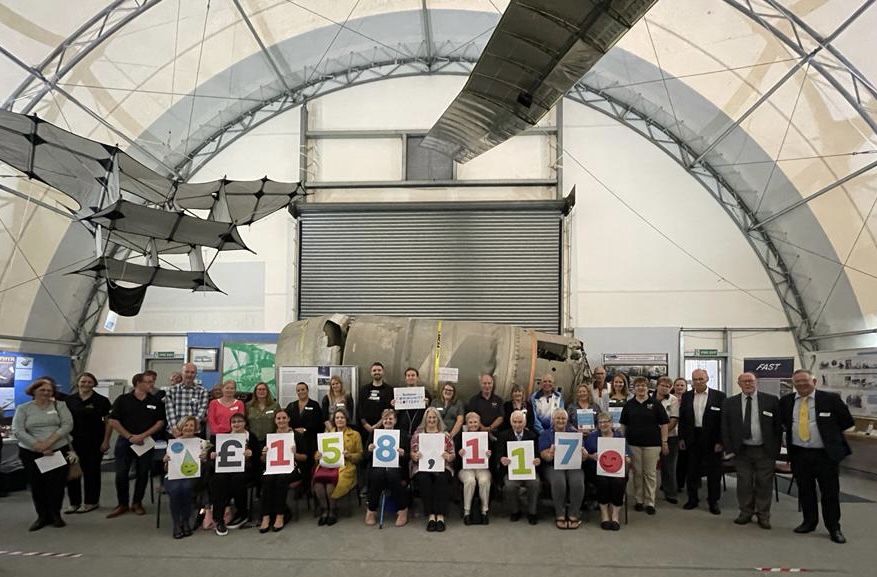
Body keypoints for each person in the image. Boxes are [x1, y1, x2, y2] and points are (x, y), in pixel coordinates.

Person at [779, 369, 855, 544]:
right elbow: (784, 423)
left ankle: (834, 527)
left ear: (814, 382)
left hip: (825, 455)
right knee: (805, 490)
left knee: (830, 492)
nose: (801, 385)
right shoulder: (787, 401)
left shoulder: (830, 399)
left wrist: (830, 435)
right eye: (797, 382)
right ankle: (809, 522)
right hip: (799, 454)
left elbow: (847, 421)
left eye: (804, 381)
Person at [11, 377, 74, 531]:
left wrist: (49, 442)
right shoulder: (23, 408)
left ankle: (55, 514)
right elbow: (17, 430)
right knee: (37, 485)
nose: (46, 393)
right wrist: (38, 445)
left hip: (57, 450)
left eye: (49, 390)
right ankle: (42, 516)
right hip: (31, 452)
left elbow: (67, 425)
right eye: (42, 390)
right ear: (34, 391)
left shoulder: (60, 405)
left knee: (56, 485)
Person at [722, 372, 782, 530]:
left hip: (764, 450)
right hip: (742, 450)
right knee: (744, 483)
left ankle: (763, 515)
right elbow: (725, 427)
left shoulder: (771, 400)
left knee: (764, 483)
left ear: (757, 382)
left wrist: (775, 449)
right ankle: (745, 512)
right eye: (744, 382)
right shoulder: (730, 402)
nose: (748, 384)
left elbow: (778, 427)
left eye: (751, 381)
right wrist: (729, 449)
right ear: (739, 384)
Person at [106, 371, 166, 518]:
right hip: (125, 441)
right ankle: (122, 503)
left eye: (152, 382)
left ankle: (137, 502)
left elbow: (160, 422)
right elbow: (113, 420)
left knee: (143, 473)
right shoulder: (123, 399)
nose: (152, 384)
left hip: (146, 441)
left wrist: (143, 436)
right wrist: (130, 436)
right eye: (148, 382)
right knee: (121, 473)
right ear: (138, 383)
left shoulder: (155, 401)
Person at [678, 369, 726, 515]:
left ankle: (713, 501)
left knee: (714, 472)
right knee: (692, 470)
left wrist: (721, 441)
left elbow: (723, 421)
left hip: (712, 440)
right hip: (692, 437)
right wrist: (681, 438)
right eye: (694, 379)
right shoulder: (686, 396)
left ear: (707, 379)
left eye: (700, 379)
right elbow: (683, 419)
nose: (697, 382)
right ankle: (692, 499)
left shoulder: (719, 396)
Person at [620, 376, 669, 515]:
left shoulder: (655, 404)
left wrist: (664, 442)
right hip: (633, 444)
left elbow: (664, 424)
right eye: (638, 385)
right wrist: (621, 444)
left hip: (652, 445)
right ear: (633, 389)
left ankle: (650, 502)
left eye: (643, 385)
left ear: (648, 388)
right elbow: (623, 425)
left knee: (650, 473)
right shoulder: (628, 405)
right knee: (637, 473)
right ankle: (639, 500)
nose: (641, 388)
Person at [64, 371, 112, 514]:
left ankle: (91, 502)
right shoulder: (69, 400)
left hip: (94, 442)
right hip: (72, 442)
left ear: (94, 384)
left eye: (89, 382)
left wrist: (106, 440)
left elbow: (109, 422)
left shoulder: (102, 401)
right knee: (73, 472)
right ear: (78, 382)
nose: (86, 384)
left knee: (92, 472)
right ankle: (74, 503)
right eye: (83, 381)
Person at [208, 412, 259, 534]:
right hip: (225, 469)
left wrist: (251, 454)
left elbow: (258, 457)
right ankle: (219, 519)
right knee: (218, 480)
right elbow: (212, 451)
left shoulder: (251, 437)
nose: (237, 424)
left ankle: (242, 512)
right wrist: (212, 454)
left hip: (245, 469)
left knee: (238, 480)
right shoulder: (223, 437)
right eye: (234, 422)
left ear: (245, 423)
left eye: (240, 421)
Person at [258, 409, 307, 533]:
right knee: (267, 479)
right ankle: (266, 516)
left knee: (281, 479)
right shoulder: (270, 437)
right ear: (275, 421)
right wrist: (264, 454)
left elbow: (306, 457)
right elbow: (263, 461)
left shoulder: (297, 436)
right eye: (278, 418)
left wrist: (295, 454)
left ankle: (280, 514)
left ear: (289, 419)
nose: (281, 421)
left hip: (293, 468)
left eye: (284, 418)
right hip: (274, 469)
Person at [313, 407, 363, 526]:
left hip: (346, 466)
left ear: (347, 419)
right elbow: (318, 452)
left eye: (342, 417)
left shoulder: (355, 434)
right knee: (318, 483)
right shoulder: (327, 435)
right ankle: (325, 509)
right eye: (337, 418)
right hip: (327, 465)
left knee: (331, 485)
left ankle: (333, 510)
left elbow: (360, 456)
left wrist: (349, 455)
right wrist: (317, 455)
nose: (339, 420)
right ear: (333, 420)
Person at [538, 409, 586, 530]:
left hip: (572, 465)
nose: (560, 421)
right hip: (552, 465)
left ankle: (574, 513)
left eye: (563, 418)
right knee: (559, 481)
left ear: (567, 420)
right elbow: (544, 455)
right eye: (558, 418)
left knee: (578, 482)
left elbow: (583, 455)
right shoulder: (545, 434)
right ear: (553, 420)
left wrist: (584, 455)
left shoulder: (574, 433)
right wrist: (549, 454)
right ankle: (560, 513)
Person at [163, 416, 209, 539]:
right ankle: (177, 523)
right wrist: (166, 461)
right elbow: (166, 469)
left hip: (192, 475)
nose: (188, 428)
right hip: (174, 475)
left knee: (187, 488)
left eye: (191, 426)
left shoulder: (202, 442)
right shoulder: (174, 443)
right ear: (181, 427)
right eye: (186, 425)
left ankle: (186, 521)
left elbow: (205, 467)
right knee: (175, 490)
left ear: (196, 428)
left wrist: (204, 459)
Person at [410, 406, 455, 532]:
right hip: (422, 467)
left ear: (438, 419)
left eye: (434, 417)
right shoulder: (418, 435)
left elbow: (452, 454)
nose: (431, 420)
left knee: (442, 478)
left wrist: (449, 456)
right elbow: (412, 454)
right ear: (425, 419)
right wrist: (415, 455)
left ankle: (440, 516)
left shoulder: (445, 435)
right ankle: (430, 516)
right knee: (424, 479)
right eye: (429, 417)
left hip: (442, 466)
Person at [584, 412, 631, 530]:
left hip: (616, 471)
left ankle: (615, 515)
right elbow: (584, 456)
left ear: (611, 423)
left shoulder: (619, 437)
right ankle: (604, 514)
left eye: (606, 422)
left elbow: (628, 456)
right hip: (597, 470)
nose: (603, 424)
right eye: (600, 422)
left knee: (618, 482)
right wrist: (591, 456)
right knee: (603, 481)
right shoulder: (592, 437)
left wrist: (626, 458)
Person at [364, 408, 410, 527]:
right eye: (385, 418)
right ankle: (371, 510)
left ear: (395, 421)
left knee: (392, 475)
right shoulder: (374, 433)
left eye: (390, 418)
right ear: (382, 420)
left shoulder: (402, 434)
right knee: (377, 475)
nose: (388, 421)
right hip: (378, 466)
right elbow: (365, 456)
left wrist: (403, 453)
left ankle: (402, 510)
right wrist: (369, 450)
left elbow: (409, 456)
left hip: (397, 466)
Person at [496, 409, 541, 524]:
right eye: (515, 422)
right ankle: (515, 511)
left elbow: (537, 454)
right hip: (511, 471)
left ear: (524, 423)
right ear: (511, 422)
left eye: (520, 422)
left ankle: (532, 512)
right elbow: (498, 453)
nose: (517, 424)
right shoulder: (503, 435)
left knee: (535, 483)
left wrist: (537, 460)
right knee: (510, 486)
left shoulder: (532, 435)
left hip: (528, 471)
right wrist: (502, 459)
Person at [457, 412, 493, 525]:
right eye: (470, 422)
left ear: (479, 423)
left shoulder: (485, 436)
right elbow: (454, 458)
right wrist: (460, 453)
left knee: (484, 480)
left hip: (482, 467)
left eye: (475, 422)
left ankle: (484, 511)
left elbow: (494, 456)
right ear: (466, 424)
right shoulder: (460, 437)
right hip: (465, 468)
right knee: (470, 481)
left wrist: (489, 454)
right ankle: (467, 512)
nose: (473, 424)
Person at [286, 381, 323, 473]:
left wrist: (305, 429)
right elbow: (286, 421)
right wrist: (294, 430)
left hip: (310, 439)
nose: (301, 392)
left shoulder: (314, 405)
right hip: (295, 440)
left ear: (307, 390)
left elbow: (319, 423)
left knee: (309, 463)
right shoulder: (291, 406)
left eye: (303, 389)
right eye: (298, 390)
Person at [654, 376, 680, 504]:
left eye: (667, 386)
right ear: (657, 385)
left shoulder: (673, 400)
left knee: (669, 466)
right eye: (662, 385)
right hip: (651, 437)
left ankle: (671, 494)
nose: (664, 388)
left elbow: (674, 420)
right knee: (650, 467)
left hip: (670, 437)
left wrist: (663, 434)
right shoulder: (650, 398)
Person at [164, 363, 209, 436]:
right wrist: (175, 429)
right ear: (182, 372)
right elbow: (169, 412)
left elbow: (202, 411)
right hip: (175, 432)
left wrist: (191, 429)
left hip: (195, 432)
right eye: (187, 372)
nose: (189, 375)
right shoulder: (171, 390)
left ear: (196, 374)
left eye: (192, 372)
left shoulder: (203, 391)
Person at [358, 362, 394, 448]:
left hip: (382, 427)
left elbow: (389, 410)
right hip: (365, 429)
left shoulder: (389, 390)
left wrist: (377, 426)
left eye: (379, 370)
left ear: (383, 372)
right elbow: (359, 408)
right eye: (374, 370)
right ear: (371, 373)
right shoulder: (364, 389)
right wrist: (366, 425)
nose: (376, 372)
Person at [394, 367, 432, 435]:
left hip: (420, 429)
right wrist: (394, 406)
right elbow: (395, 414)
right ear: (405, 378)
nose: (410, 377)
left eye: (413, 375)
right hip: (402, 429)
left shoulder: (425, 393)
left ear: (417, 378)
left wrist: (427, 405)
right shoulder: (399, 394)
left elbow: (430, 411)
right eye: (408, 376)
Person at [246, 382, 280, 451]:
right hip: (253, 441)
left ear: (267, 391)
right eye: (259, 389)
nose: (261, 391)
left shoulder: (275, 406)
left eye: (264, 389)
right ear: (255, 392)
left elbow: (279, 422)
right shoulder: (248, 406)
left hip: (270, 439)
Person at [673, 377, 689, 492]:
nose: (679, 387)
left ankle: (680, 483)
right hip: (671, 432)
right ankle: (668, 482)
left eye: (682, 385)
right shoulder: (669, 398)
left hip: (685, 433)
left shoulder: (689, 399)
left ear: (686, 387)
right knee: (670, 460)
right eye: (677, 385)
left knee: (682, 460)